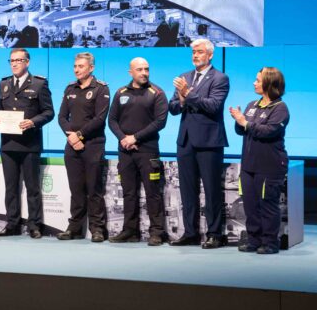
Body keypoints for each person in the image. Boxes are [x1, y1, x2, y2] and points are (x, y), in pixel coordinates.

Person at [168, 38, 230, 249]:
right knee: (187, 190)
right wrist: (182, 99)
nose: (195, 55)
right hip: (185, 140)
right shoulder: (185, 77)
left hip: (209, 141)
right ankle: (190, 232)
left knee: (211, 190)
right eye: (193, 52)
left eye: (200, 52)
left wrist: (187, 94)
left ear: (210, 55)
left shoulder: (220, 78)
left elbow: (213, 106)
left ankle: (214, 233)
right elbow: (173, 107)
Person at [0, 48, 54, 238]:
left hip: (30, 144)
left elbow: (49, 112)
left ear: (27, 62)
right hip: (8, 144)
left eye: (19, 60)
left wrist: (33, 122)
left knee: (32, 188)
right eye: (12, 60)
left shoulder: (39, 84)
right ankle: (12, 224)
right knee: (10, 188)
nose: (15, 63)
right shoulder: (3, 84)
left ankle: (34, 226)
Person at [107, 58, 169, 245]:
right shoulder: (121, 92)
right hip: (125, 151)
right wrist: (123, 139)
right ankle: (129, 231)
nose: (144, 73)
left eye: (147, 69)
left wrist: (135, 138)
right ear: (130, 72)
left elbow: (160, 122)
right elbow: (112, 120)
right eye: (140, 69)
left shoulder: (157, 93)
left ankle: (157, 232)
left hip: (148, 152)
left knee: (153, 192)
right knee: (128, 192)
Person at [230, 67, 289, 254]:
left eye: (258, 80)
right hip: (249, 165)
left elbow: (269, 131)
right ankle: (253, 240)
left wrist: (245, 122)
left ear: (269, 84)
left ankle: (270, 243)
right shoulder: (252, 105)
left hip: (269, 166)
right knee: (250, 206)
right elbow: (241, 130)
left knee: (268, 206)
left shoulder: (280, 108)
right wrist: (239, 121)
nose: (254, 83)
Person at [56, 52, 110, 242]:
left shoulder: (101, 89)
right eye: (75, 66)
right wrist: (71, 137)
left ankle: (97, 229)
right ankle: (75, 228)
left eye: (81, 66)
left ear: (91, 68)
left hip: (93, 146)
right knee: (76, 189)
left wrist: (79, 135)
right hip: (72, 146)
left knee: (94, 190)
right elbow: (62, 117)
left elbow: (99, 119)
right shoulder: (70, 88)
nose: (77, 69)